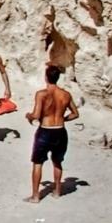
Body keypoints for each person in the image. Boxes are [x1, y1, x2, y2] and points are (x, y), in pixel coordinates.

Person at [27, 64, 79, 203]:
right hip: (60, 131)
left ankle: (36, 196)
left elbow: (37, 114)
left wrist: (29, 116)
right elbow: (75, 114)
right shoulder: (66, 94)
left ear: (46, 77)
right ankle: (57, 191)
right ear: (58, 78)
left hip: (45, 130)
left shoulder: (42, 94)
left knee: (38, 163)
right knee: (57, 162)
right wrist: (63, 119)